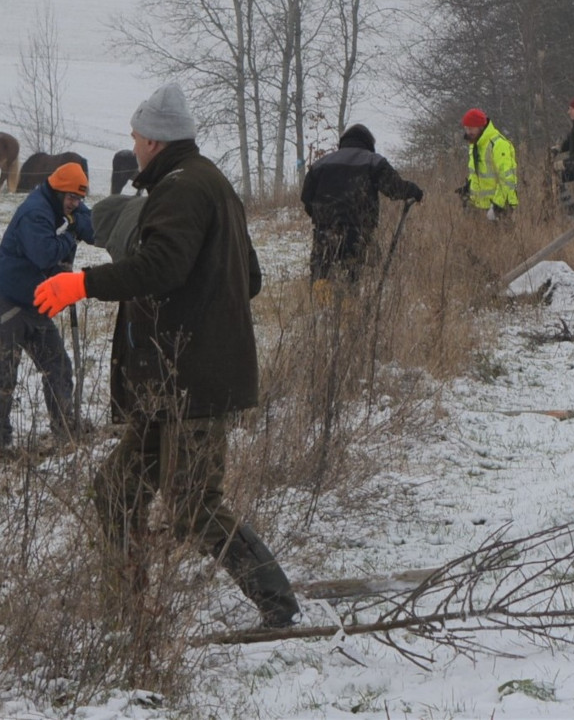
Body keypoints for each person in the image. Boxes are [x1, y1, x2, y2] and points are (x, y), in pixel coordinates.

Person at [33, 82, 300, 629]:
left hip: (191, 382)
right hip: (172, 381)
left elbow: (161, 267)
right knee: (116, 492)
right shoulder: (213, 185)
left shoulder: (181, 190)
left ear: (155, 140)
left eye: (135, 136)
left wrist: (81, 284)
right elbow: (248, 277)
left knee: (195, 505)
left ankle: (276, 603)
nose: (132, 144)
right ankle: (128, 614)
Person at [0, 162, 95, 450]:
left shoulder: (63, 206)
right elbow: (44, 255)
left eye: (79, 199)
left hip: (35, 302)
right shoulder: (35, 213)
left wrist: (76, 221)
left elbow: (91, 229)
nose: (75, 204)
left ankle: (65, 427)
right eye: (71, 198)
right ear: (56, 191)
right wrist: (69, 235)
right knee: (4, 374)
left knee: (58, 366)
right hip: (8, 301)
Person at [300, 123, 423, 285]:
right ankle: (351, 307)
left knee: (322, 279)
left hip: (324, 234)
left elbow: (306, 198)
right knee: (354, 278)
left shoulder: (320, 164)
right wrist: (415, 191)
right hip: (359, 233)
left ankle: (322, 308)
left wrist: (323, 218)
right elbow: (394, 188)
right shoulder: (373, 161)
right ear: (369, 143)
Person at [458, 108, 518, 219]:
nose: (468, 132)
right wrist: (468, 191)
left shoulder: (498, 144)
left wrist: (497, 206)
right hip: (481, 208)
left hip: (501, 209)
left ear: (480, 127)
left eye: (471, 128)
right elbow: (477, 176)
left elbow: (507, 179)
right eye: (466, 128)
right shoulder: (476, 145)